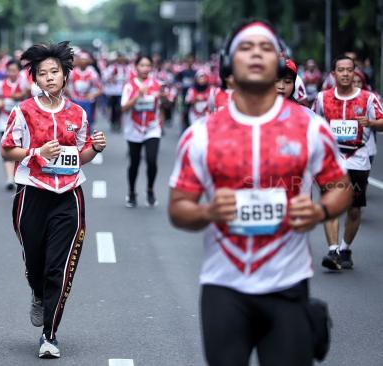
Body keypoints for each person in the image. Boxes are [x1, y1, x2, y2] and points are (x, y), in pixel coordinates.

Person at [168, 20, 352, 366]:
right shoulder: (202, 134)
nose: (255, 53)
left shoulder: (311, 128)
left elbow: (340, 187)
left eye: (265, 48)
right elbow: (178, 208)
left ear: (281, 66)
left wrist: (319, 212)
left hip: (288, 284)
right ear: (228, 66)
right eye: (245, 48)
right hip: (224, 286)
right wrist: (208, 212)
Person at [1, 41, 106, 359]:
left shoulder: (78, 113)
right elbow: (7, 149)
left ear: (64, 76)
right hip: (32, 194)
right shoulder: (23, 111)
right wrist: (36, 152)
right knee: (36, 266)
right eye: (42, 73)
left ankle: (50, 334)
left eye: (54, 72)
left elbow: (80, 155)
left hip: (68, 197)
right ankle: (36, 293)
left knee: (57, 270)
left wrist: (95, 148)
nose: (49, 78)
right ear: (34, 78)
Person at [313, 54, 383, 270]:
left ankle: (345, 248)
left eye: (349, 70)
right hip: (332, 159)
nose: (345, 73)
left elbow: (382, 122)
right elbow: (314, 124)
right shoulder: (322, 98)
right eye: (340, 70)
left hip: (358, 158)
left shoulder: (368, 98)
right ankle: (332, 251)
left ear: (354, 73)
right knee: (331, 204)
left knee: (353, 210)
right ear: (333, 74)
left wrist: (370, 122)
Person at [121, 55, 162, 208]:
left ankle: (150, 189)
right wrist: (137, 97)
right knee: (135, 162)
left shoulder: (157, 84)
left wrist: (165, 99)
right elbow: (123, 107)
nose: (145, 68)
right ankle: (131, 192)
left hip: (152, 128)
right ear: (136, 67)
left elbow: (163, 105)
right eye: (142, 65)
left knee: (152, 161)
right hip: (134, 130)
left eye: (148, 65)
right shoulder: (129, 86)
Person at [0, 60, 28, 190]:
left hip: (21, 122)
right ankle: (10, 178)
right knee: (7, 149)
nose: (12, 73)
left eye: (14, 70)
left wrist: (19, 95)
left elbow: (28, 96)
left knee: (21, 149)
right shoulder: (0, 85)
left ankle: (20, 175)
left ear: (19, 71)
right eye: (9, 70)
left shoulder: (24, 84)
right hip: (4, 122)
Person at [67, 51, 102, 133]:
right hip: (75, 100)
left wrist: (93, 95)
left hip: (88, 101)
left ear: (89, 61)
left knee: (87, 120)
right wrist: (70, 95)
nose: (83, 62)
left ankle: (87, 137)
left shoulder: (92, 73)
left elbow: (100, 88)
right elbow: (64, 86)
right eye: (81, 59)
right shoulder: (73, 72)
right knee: (74, 121)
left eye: (85, 59)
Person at [102, 53, 129, 132]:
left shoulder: (126, 68)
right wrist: (110, 79)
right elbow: (105, 76)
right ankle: (113, 122)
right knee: (113, 108)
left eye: (122, 58)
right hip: (113, 91)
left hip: (122, 91)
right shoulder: (112, 67)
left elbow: (130, 77)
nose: (121, 60)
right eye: (119, 58)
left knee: (119, 108)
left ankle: (118, 123)